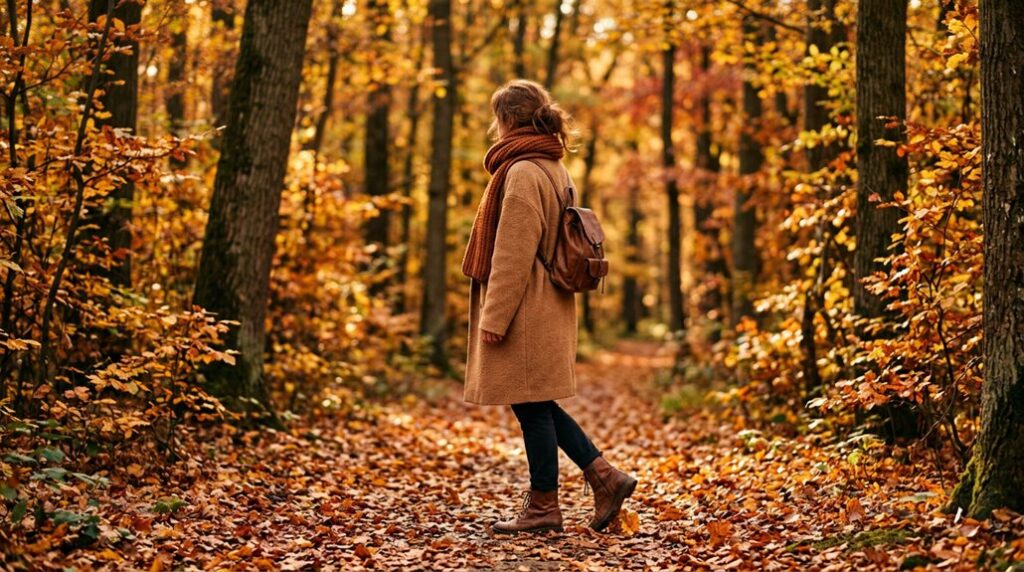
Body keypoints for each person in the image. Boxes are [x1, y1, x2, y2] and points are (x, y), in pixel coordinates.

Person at [461, 79, 637, 534]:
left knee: (533, 405)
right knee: (535, 403)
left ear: (507, 120)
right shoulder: (554, 167)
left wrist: (493, 317)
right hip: (548, 301)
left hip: (527, 305)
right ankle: (600, 477)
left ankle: (549, 504)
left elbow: (512, 253)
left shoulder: (521, 172)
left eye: (496, 119)